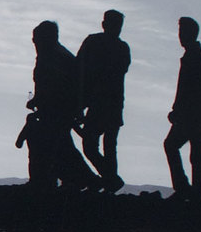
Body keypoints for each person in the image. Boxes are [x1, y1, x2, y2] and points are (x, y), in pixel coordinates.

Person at [17, 20, 95, 192]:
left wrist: (41, 101)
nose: (34, 42)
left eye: (36, 38)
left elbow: (55, 86)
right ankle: (72, 179)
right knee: (60, 146)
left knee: (54, 146)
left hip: (57, 111)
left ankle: (73, 180)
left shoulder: (55, 57)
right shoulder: (56, 55)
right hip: (56, 110)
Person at [76, 10, 131, 192]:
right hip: (111, 105)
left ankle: (110, 180)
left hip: (100, 104)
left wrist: (81, 101)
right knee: (107, 147)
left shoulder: (94, 42)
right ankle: (110, 180)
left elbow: (79, 70)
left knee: (93, 146)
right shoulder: (122, 48)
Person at [163, 17, 201, 202]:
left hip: (193, 116)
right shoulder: (195, 55)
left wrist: (177, 110)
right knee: (196, 154)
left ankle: (186, 189)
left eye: (182, 32)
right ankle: (194, 193)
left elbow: (188, 90)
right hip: (197, 115)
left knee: (173, 146)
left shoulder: (194, 57)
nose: (180, 36)